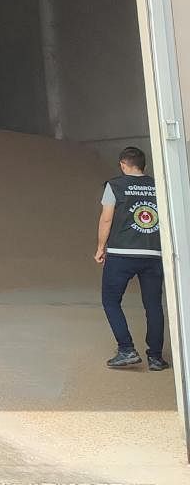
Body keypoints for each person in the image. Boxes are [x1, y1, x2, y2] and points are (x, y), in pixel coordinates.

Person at [95, 147, 167, 371]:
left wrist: (100, 247)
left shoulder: (115, 185)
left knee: (110, 300)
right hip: (153, 253)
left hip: (121, 253)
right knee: (153, 305)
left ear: (122, 165)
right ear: (144, 166)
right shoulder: (159, 185)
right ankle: (156, 358)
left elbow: (106, 219)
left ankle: (126, 349)